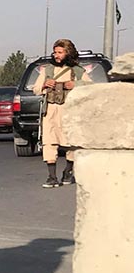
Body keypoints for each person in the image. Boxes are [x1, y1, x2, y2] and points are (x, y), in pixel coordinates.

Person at [32, 38, 86, 188]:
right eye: (55, 52)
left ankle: (68, 171)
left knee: (71, 143)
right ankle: (52, 177)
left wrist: (76, 84)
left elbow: (90, 86)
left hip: (70, 112)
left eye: (60, 52)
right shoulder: (47, 70)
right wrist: (44, 84)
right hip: (50, 111)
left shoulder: (77, 71)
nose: (56, 55)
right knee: (49, 142)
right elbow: (35, 89)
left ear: (68, 52)